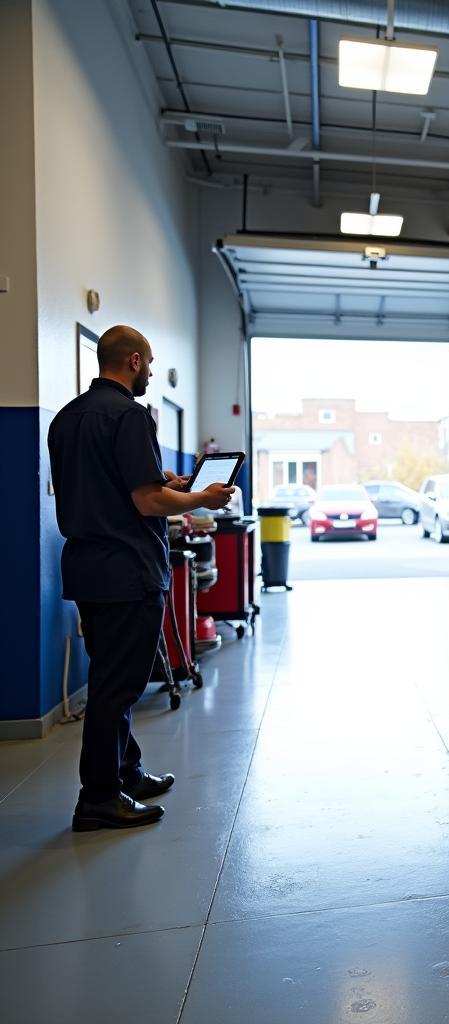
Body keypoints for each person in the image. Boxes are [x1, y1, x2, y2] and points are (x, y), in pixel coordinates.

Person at [48, 325, 235, 832]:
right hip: (127, 569)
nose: (151, 372)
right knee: (118, 686)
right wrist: (202, 497)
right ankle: (99, 797)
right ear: (133, 360)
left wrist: (167, 484)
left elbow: (125, 486)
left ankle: (125, 772)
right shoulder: (130, 416)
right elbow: (147, 502)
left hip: (87, 567)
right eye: (149, 363)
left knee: (112, 675)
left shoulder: (66, 418)